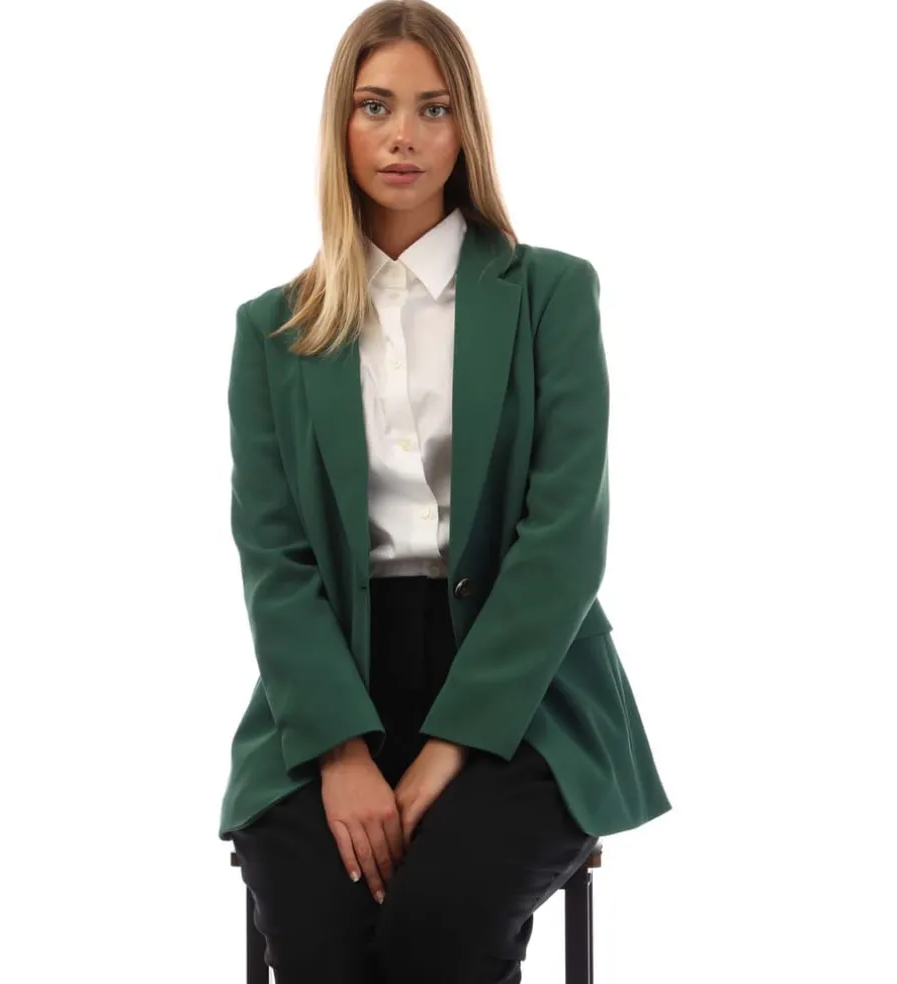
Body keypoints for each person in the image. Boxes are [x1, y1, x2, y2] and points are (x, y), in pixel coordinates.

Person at [218, 2, 672, 981]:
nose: (404, 136)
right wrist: (341, 754)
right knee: (325, 943)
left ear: (466, 128)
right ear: (341, 123)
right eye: (375, 106)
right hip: (331, 689)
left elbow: (563, 540)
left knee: (438, 929)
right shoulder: (273, 330)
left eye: (434, 109)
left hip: (529, 690)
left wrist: (452, 743)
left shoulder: (550, 294)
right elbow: (274, 557)